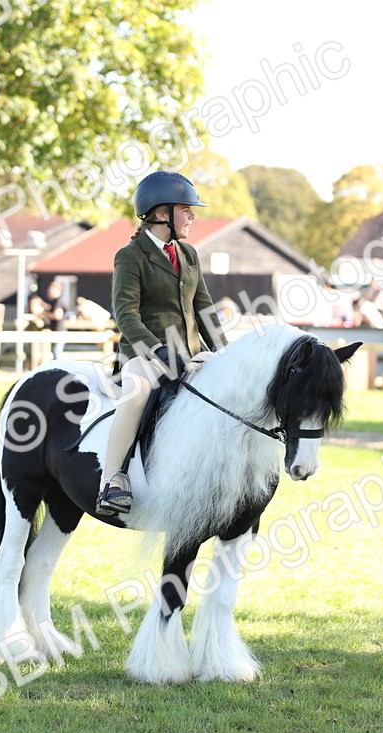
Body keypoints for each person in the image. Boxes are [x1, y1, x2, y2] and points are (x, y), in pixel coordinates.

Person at [97, 170, 228, 516]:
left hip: (191, 355)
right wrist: (157, 349)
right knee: (138, 391)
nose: (193, 216)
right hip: (146, 354)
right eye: (186, 209)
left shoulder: (189, 255)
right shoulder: (131, 256)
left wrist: (226, 353)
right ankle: (114, 479)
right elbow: (126, 314)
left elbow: (205, 311)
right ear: (160, 214)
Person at [44, 280, 71, 359]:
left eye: (50, 290)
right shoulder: (57, 301)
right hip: (58, 332)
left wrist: (45, 314)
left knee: (57, 356)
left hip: (59, 332)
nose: (48, 292)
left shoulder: (59, 301)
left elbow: (57, 315)